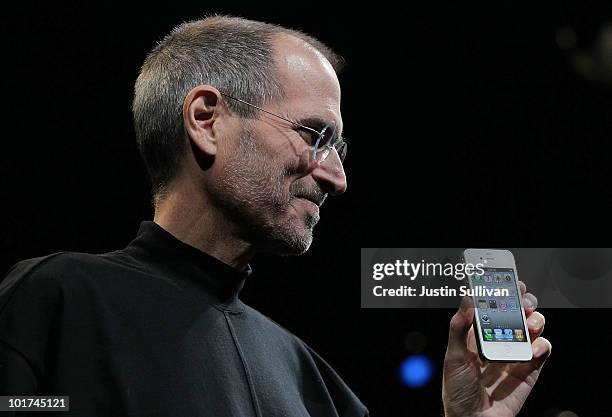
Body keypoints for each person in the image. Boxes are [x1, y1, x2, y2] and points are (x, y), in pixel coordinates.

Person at [0, 16, 550, 417]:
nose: (338, 177)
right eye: (315, 136)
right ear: (207, 119)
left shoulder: (313, 382)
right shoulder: (57, 300)